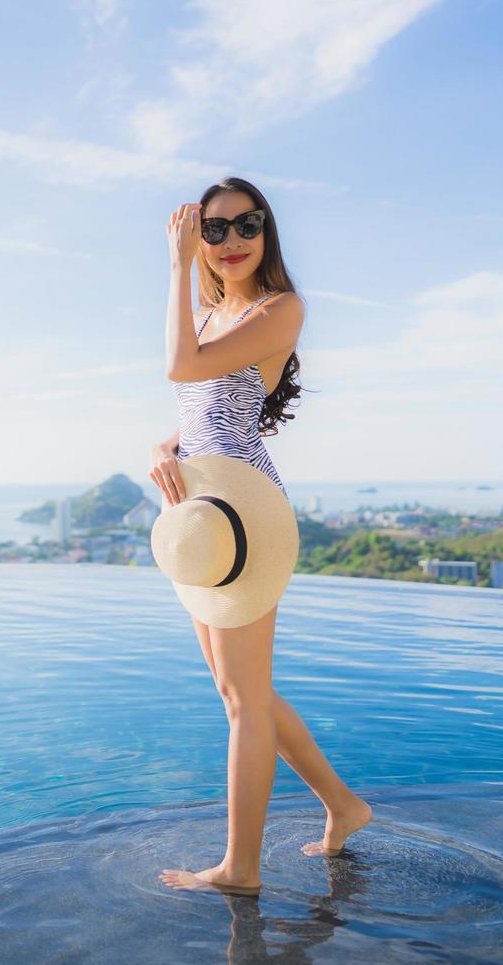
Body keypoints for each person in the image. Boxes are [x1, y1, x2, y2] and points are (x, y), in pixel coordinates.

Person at [150, 177, 372, 897]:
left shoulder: (282, 308)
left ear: (267, 232)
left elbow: (180, 368)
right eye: (213, 230)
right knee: (235, 688)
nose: (231, 240)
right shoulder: (215, 316)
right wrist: (166, 445)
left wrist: (177, 266)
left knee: (246, 698)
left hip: (244, 511)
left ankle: (239, 869)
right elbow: (205, 402)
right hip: (202, 512)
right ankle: (344, 805)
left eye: (246, 225)